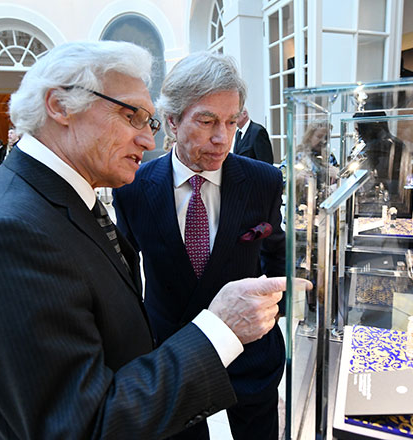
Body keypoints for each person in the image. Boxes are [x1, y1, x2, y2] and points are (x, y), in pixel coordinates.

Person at [0, 41, 308, 439]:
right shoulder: (5, 231)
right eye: (132, 116)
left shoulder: (65, 199)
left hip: (205, 378)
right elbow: (80, 422)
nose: (147, 141)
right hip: (163, 376)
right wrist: (221, 327)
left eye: (146, 121)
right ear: (60, 106)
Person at [113, 52, 286, 440]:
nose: (222, 138)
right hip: (175, 359)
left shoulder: (262, 181)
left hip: (250, 357)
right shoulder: (133, 187)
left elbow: (277, 251)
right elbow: (124, 275)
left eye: (231, 121)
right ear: (172, 121)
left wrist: (271, 311)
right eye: (206, 121)